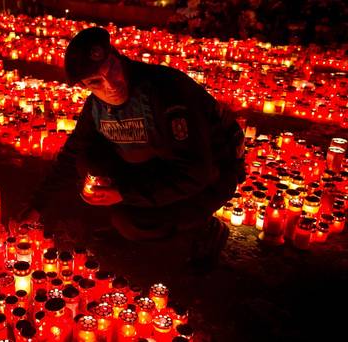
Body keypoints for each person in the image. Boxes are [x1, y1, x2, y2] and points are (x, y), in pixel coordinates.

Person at [13, 27, 245, 272]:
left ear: (117, 56)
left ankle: (203, 227)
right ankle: (137, 215)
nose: (110, 84)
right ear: (84, 86)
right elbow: (72, 154)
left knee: (132, 223)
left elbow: (197, 170)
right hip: (160, 166)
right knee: (89, 160)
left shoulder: (164, 92)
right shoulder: (96, 106)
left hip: (212, 173)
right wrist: (36, 207)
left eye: (112, 68)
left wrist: (124, 193)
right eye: (95, 82)